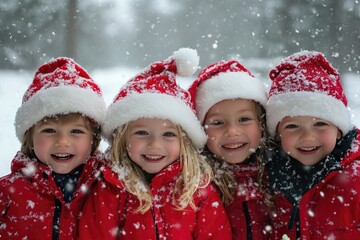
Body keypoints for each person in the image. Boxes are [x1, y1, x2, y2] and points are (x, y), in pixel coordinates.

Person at [78, 48, 232, 240]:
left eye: (168, 134)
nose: (155, 144)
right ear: (122, 138)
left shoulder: (197, 188)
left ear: (184, 141)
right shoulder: (110, 188)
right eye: (142, 133)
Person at [0, 57, 106, 240]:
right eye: (49, 130)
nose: (63, 141)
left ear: (93, 140)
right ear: (30, 138)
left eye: (76, 131)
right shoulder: (8, 190)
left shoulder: (106, 189)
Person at [265, 50, 360, 239]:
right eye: (293, 126)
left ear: (339, 129)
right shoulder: (271, 178)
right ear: (278, 134)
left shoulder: (355, 180)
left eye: (320, 124)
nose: (308, 136)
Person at [188, 60, 271, 239]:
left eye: (244, 119)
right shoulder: (196, 185)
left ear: (262, 124)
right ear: (201, 130)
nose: (232, 131)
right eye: (217, 123)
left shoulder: (280, 174)